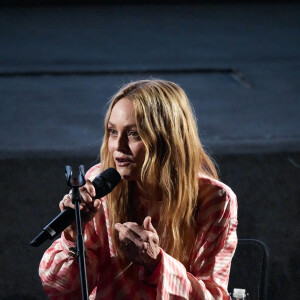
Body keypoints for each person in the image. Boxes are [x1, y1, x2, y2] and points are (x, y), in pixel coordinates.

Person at [39, 79, 238, 299]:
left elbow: (213, 296)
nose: (118, 147)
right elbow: (62, 291)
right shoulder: (100, 184)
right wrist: (73, 235)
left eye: (134, 134)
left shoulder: (214, 199)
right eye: (113, 132)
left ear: (167, 140)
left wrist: (156, 263)